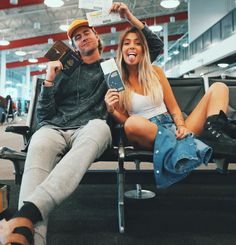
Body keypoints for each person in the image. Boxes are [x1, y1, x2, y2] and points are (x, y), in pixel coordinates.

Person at [0, 2, 163, 245]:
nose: (82, 37)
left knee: (99, 128)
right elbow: (44, 117)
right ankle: (27, 234)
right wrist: (48, 81)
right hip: (55, 128)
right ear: (74, 46)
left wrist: (128, 16)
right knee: (39, 142)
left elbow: (154, 47)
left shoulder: (113, 67)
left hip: (92, 126)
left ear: (98, 38)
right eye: (77, 37)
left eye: (87, 33)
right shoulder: (64, 71)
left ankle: (26, 214)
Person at [105, 26, 236, 188]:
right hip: (147, 131)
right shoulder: (117, 81)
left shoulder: (156, 72)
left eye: (137, 43)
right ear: (121, 50)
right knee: (132, 124)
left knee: (219, 87)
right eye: (127, 43)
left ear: (143, 50)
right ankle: (199, 145)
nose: (131, 46)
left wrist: (181, 126)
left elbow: (174, 109)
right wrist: (112, 110)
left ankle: (217, 137)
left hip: (173, 127)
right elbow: (126, 120)